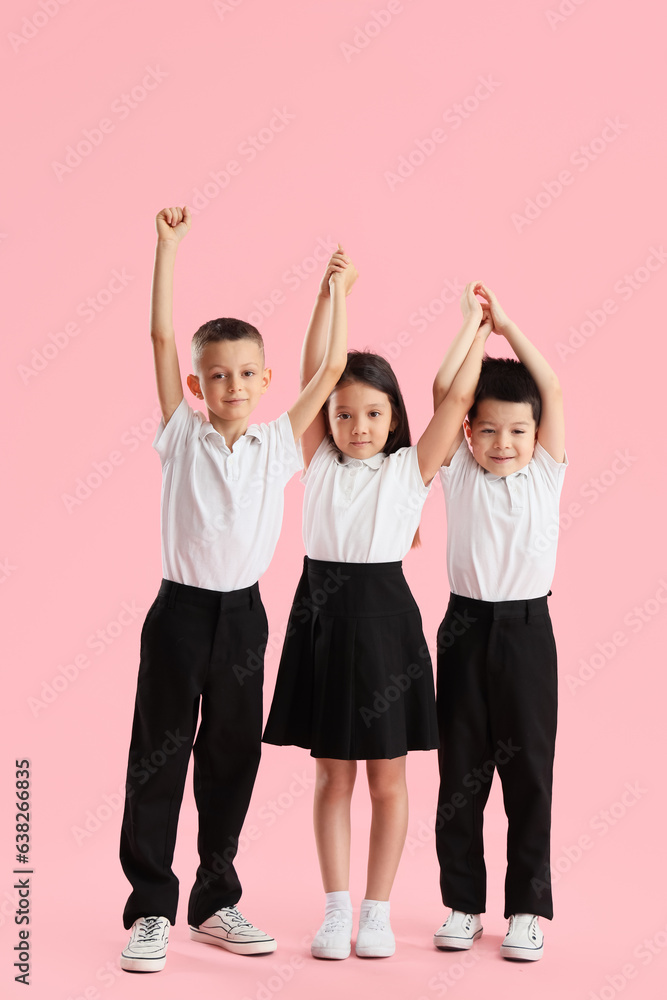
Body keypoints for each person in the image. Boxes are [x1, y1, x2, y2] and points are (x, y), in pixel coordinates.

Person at [118, 207, 355, 973]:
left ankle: (214, 899)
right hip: (179, 613)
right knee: (159, 755)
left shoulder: (280, 441)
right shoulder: (180, 431)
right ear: (196, 382)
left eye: (246, 372)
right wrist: (167, 250)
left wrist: (333, 292)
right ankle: (150, 907)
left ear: (264, 379)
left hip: (244, 618)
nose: (231, 384)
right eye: (216, 374)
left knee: (230, 757)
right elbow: (159, 337)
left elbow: (329, 371)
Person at [262, 276, 493, 960]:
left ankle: (377, 910)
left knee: (388, 778)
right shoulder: (317, 462)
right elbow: (314, 373)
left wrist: (472, 328)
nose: (355, 427)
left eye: (370, 415)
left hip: (385, 622)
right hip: (321, 619)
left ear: (392, 417)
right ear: (325, 420)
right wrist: (326, 299)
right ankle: (335, 910)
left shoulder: (409, 470)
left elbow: (454, 398)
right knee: (332, 773)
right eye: (341, 415)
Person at [431, 282, 567, 962]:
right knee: (459, 771)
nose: (502, 442)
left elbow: (553, 390)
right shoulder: (456, 470)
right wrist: (469, 330)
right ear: (467, 433)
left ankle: (524, 910)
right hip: (462, 631)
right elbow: (442, 393)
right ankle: (461, 904)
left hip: (525, 635)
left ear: (536, 435)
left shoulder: (545, 474)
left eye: (516, 430)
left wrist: (507, 326)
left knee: (529, 774)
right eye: (487, 429)